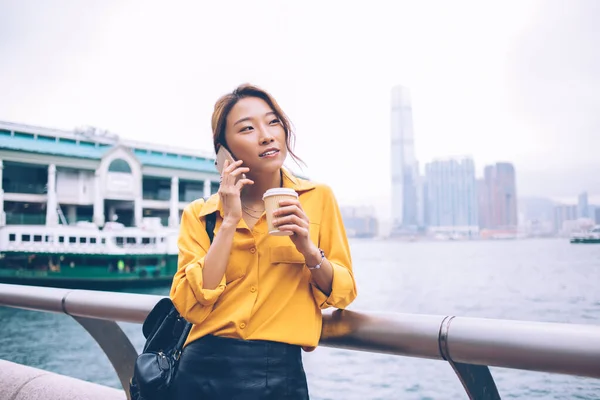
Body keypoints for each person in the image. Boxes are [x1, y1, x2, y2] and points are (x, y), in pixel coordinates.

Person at [170, 83, 357, 399]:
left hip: (278, 374)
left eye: (273, 122)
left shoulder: (317, 199)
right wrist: (229, 221)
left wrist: (309, 250)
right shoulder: (200, 215)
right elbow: (189, 304)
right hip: (201, 374)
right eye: (247, 128)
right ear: (224, 150)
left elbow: (343, 293)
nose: (266, 135)